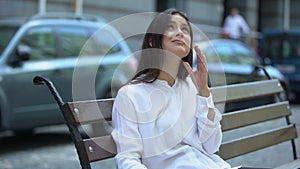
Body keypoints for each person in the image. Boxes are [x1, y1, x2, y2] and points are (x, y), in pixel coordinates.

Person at [111, 8, 232, 169]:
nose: (180, 33)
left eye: (185, 29)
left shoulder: (193, 87)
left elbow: (211, 146)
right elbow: (128, 158)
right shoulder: (131, 95)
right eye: (171, 27)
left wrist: (204, 93)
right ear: (153, 41)